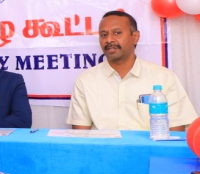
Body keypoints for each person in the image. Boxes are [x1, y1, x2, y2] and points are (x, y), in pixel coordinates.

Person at [68, 10, 197, 131]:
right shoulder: (85, 81)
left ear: (135, 37)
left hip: (149, 148)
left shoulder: (164, 78)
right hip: (102, 148)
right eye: (103, 35)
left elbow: (175, 133)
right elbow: (80, 136)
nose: (109, 39)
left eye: (117, 33)